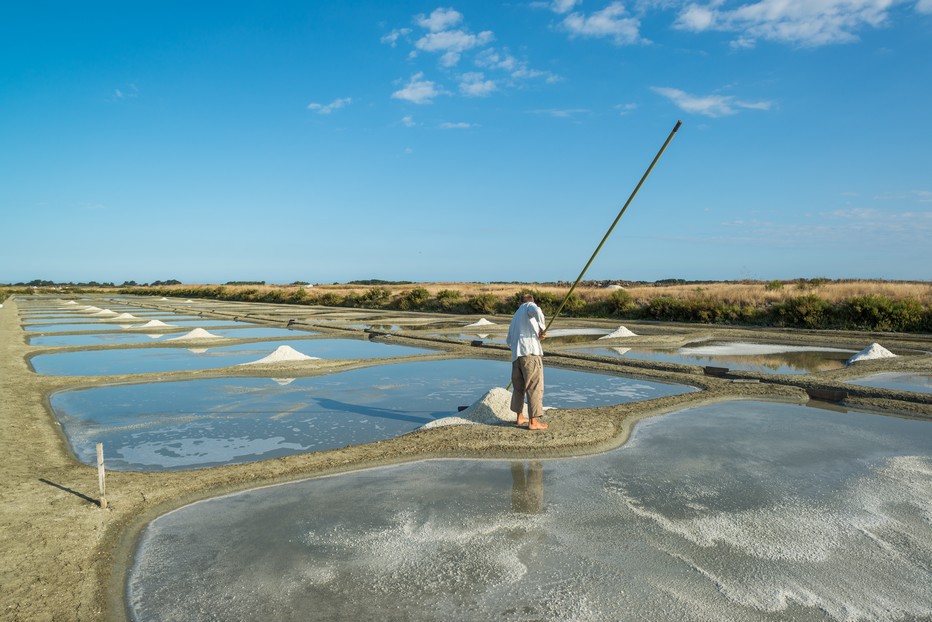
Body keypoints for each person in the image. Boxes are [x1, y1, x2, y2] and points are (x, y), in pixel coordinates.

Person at [506, 293, 548, 430]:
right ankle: (533, 422)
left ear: (519, 303)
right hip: (529, 354)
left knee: (519, 388)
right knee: (534, 387)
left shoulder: (515, 317)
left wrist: (537, 335)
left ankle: (519, 417)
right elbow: (537, 311)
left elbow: (509, 340)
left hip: (516, 357)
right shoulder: (528, 306)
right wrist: (542, 328)